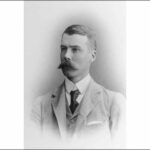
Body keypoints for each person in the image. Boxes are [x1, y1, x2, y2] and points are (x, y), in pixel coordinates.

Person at [31, 24, 126, 148]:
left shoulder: (115, 103)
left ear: (92, 56)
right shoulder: (40, 105)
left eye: (75, 49)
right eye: (63, 48)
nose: (66, 56)